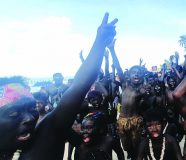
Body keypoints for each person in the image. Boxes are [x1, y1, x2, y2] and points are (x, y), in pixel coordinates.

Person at [0, 12, 118, 160]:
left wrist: (99, 44)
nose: (30, 118)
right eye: (13, 113)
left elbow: (77, 87)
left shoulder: (39, 147)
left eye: (32, 108)